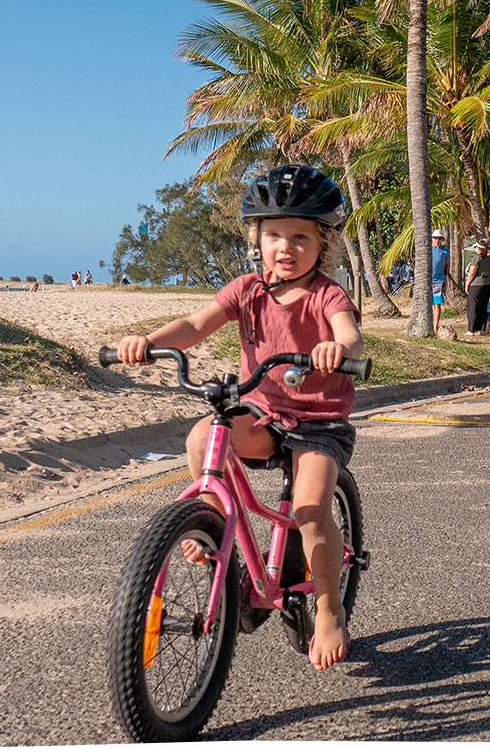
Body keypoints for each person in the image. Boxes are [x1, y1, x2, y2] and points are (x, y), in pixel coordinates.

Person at [115, 164, 362, 671]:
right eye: (273, 235)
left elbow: (348, 333)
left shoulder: (326, 294)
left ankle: (329, 606)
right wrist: (149, 343)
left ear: (324, 244)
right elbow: (194, 324)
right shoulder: (247, 289)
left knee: (311, 509)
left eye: (300, 237)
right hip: (265, 410)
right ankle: (209, 520)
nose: (285, 247)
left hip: (318, 422)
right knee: (204, 436)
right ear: (257, 238)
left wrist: (336, 348)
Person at [465, 240, 490, 335]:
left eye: (477, 247)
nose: (476, 249)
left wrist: (467, 284)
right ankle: (482, 329)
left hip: (476, 285)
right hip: (487, 285)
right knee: (483, 307)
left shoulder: (476, 258)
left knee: (473, 307)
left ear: (480, 249)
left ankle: (471, 330)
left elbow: (471, 273)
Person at [429, 228, 451, 337]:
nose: (437, 240)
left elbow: (447, 265)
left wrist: (445, 279)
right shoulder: (427, 249)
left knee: (437, 304)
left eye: (439, 238)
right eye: (435, 238)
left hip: (439, 280)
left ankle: (435, 327)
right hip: (427, 281)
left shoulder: (445, 251)